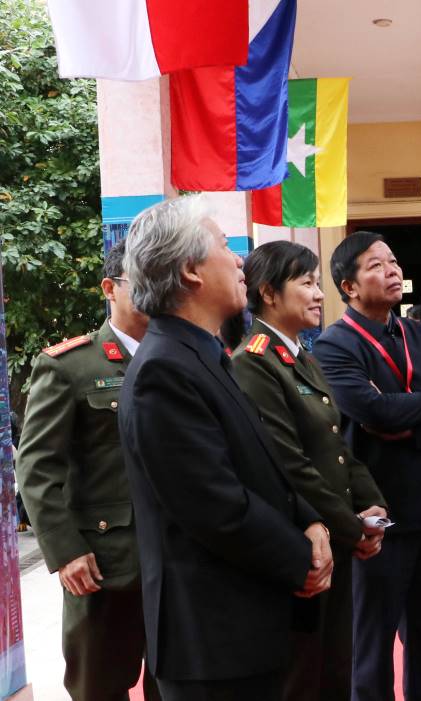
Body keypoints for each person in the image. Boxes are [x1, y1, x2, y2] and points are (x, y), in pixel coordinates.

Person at [118, 196, 332, 700]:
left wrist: (310, 520)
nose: (239, 260)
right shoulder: (164, 370)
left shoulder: (203, 354)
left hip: (242, 627)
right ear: (190, 271)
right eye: (224, 245)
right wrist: (300, 556)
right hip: (211, 642)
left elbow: (257, 462)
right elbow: (214, 505)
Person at [312, 232, 421, 701]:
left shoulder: (420, 334)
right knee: (371, 652)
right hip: (376, 519)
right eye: (376, 265)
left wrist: (410, 429)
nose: (392, 271)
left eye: (393, 262)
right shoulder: (334, 346)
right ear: (348, 286)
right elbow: (374, 412)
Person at [231, 241, 388, 701]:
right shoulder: (253, 362)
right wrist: (352, 528)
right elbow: (289, 464)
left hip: (335, 537)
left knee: (334, 670)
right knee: (303, 678)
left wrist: (372, 505)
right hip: (302, 543)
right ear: (269, 293)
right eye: (306, 283)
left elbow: (336, 447)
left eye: (318, 283)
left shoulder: (301, 356)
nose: (320, 294)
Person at [16, 240, 160, 701]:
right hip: (105, 562)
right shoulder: (71, 366)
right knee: (98, 686)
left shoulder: (178, 358)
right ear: (109, 288)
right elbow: (36, 466)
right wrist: (66, 552)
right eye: (141, 282)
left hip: (176, 560)